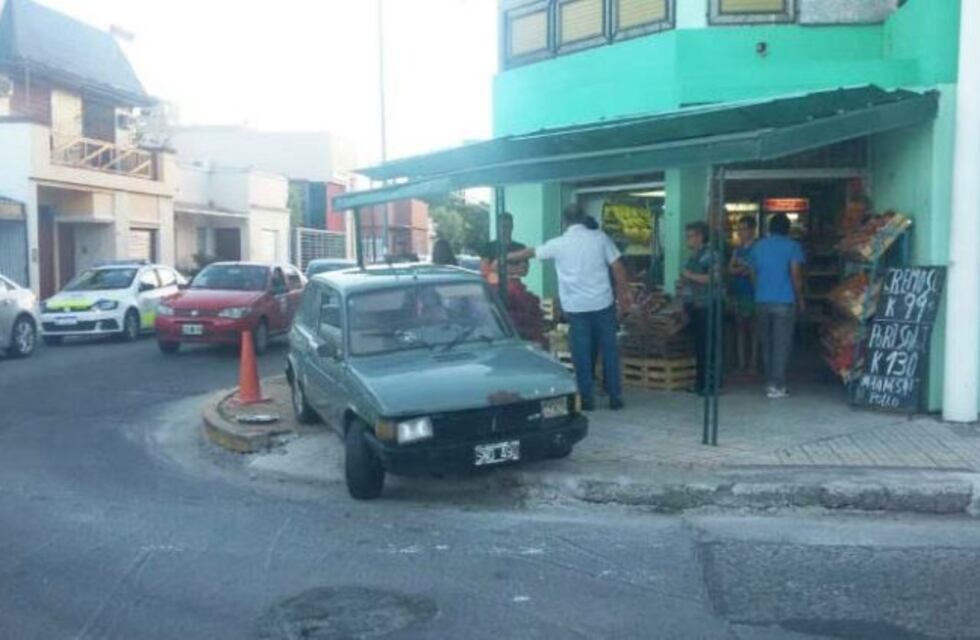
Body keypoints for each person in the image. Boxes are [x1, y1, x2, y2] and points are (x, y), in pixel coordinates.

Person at [508, 203, 632, 411]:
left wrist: (507, 257)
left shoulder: (558, 244)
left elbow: (531, 252)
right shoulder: (600, 238)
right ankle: (615, 396)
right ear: (583, 218)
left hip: (576, 308)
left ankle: (587, 399)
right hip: (603, 304)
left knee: (581, 353)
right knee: (609, 350)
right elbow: (618, 266)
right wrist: (624, 296)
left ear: (564, 221)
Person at [749, 213, 806, 399]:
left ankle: (769, 382)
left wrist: (760, 289)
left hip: (762, 300)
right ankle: (777, 385)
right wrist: (800, 298)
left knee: (767, 343)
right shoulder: (793, 246)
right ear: (787, 229)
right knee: (781, 345)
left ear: (769, 228)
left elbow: (753, 273)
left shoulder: (758, 246)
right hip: (784, 301)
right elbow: (796, 275)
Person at [680, 221, 720, 396]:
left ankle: (710, 384)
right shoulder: (693, 257)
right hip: (694, 306)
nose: (687, 240)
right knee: (698, 347)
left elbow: (713, 278)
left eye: (690, 236)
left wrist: (689, 275)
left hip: (707, 305)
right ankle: (699, 383)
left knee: (707, 346)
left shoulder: (711, 255)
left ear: (700, 237)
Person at [728, 215, 758, 373]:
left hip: (753, 292)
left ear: (752, 230)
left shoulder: (758, 248)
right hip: (739, 292)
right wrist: (744, 269)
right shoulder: (737, 249)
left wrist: (742, 267)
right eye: (739, 229)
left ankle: (752, 362)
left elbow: (757, 270)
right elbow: (730, 269)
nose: (740, 232)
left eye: (744, 229)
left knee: (753, 328)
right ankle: (741, 362)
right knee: (740, 328)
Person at [481, 212, 527, 282]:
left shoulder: (520, 248)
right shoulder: (488, 246)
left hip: (514, 289)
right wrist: (514, 269)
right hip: (494, 288)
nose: (504, 229)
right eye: (501, 226)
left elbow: (523, 271)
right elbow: (484, 269)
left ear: (512, 227)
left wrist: (495, 267)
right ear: (497, 227)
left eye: (507, 226)